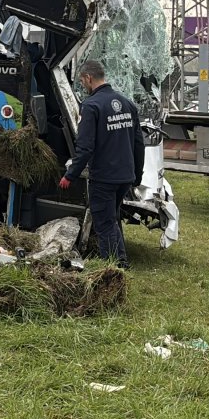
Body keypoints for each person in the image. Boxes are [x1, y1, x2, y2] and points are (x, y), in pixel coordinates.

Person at [58, 60, 144, 269]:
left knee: (104, 224)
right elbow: (138, 143)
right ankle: (122, 265)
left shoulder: (91, 106)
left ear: (88, 78)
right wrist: (137, 175)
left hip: (105, 177)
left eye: (82, 81)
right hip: (125, 176)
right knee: (112, 220)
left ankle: (112, 270)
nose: (83, 85)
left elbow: (85, 147)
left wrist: (70, 175)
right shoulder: (126, 103)